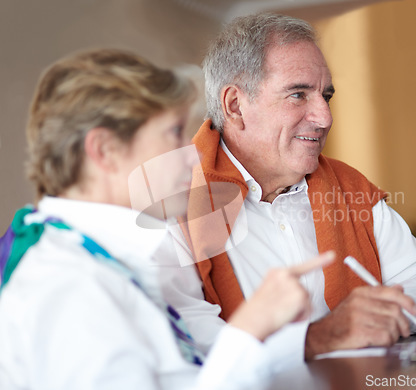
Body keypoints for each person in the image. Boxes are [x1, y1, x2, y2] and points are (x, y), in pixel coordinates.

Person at [0, 48, 334, 390]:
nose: (193, 156)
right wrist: (248, 331)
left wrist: (263, 333)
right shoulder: (68, 286)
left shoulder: (110, 257)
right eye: (174, 133)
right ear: (105, 150)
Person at [164, 12, 416, 363]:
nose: (325, 117)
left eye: (326, 95)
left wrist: (385, 316)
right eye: (298, 95)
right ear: (235, 105)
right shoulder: (169, 194)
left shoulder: (347, 185)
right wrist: (317, 338)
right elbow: (185, 337)